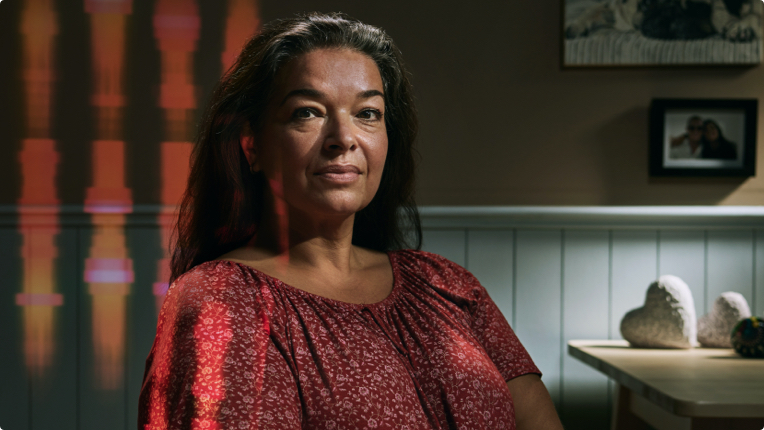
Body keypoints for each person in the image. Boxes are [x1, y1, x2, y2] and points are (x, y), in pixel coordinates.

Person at [138, 12, 562, 430]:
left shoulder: (447, 285)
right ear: (252, 147)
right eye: (308, 112)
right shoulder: (222, 300)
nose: (344, 138)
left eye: (368, 113)